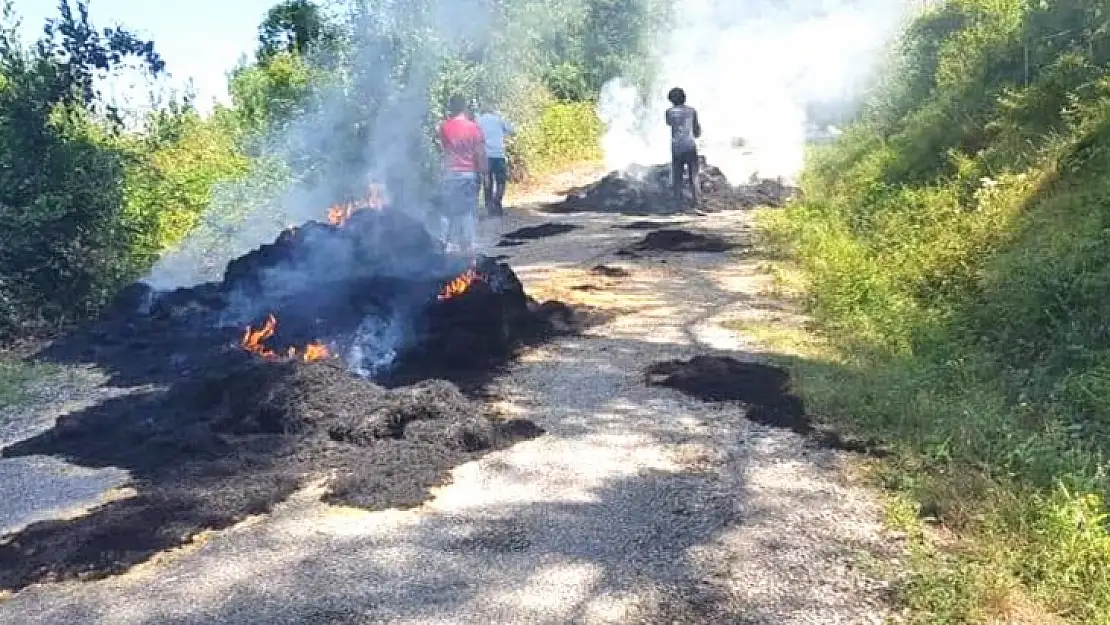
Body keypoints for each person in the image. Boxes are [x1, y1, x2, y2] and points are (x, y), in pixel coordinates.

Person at [437, 95, 487, 253]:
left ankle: (448, 243)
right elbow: (479, 152)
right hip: (469, 173)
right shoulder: (473, 127)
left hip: (450, 174)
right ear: (465, 107)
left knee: (449, 209)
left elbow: (445, 153)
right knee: (468, 210)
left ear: (450, 108)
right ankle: (468, 244)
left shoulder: (444, 127)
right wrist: (484, 172)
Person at [664, 87, 702, 212]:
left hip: (676, 147)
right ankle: (697, 204)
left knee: (677, 177)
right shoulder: (692, 111)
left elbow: (669, 123)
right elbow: (697, 130)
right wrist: (695, 133)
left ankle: (678, 206)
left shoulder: (669, 112)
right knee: (694, 176)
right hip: (690, 146)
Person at [476, 100, 515, 216]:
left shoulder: (478, 121)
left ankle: (489, 207)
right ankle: (497, 203)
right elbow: (512, 131)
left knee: (487, 182)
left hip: (485, 155)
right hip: (498, 155)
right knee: (501, 181)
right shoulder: (498, 119)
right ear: (492, 108)